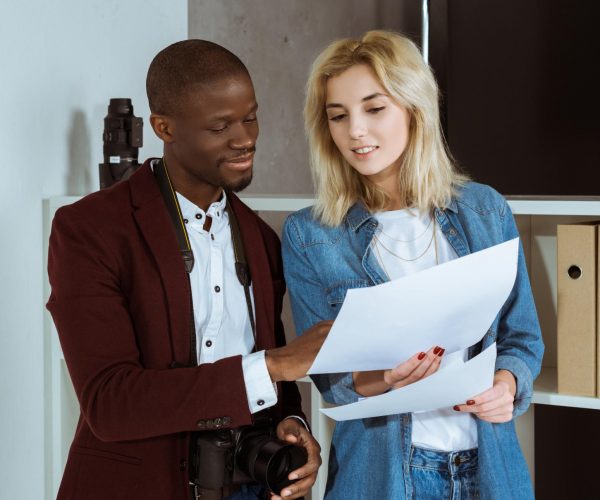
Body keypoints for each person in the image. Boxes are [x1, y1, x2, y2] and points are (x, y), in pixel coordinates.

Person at [46, 39, 331, 500]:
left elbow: (272, 380)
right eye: (221, 126)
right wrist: (276, 365)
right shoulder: (88, 230)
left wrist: (294, 427)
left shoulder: (260, 238)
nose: (245, 139)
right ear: (164, 127)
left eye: (250, 116)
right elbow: (110, 403)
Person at [281, 30, 543, 499]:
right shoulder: (310, 234)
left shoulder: (484, 210)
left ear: (414, 107)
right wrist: (384, 380)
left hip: (490, 470)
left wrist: (506, 384)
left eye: (374, 108)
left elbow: (522, 337)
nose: (355, 131)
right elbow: (331, 383)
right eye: (338, 116)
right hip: (382, 478)